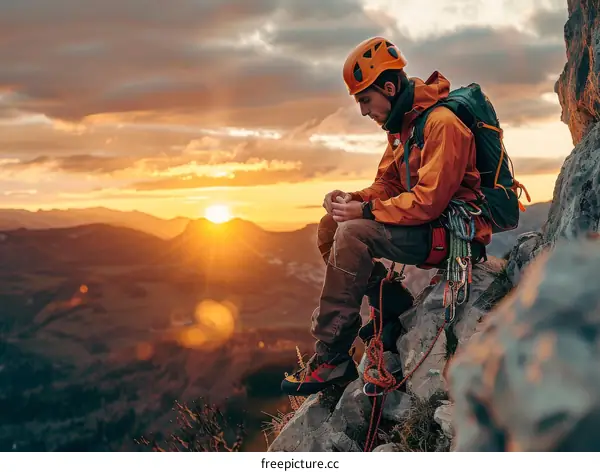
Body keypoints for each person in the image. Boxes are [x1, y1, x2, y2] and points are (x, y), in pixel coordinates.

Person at [281, 36, 493, 396]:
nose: (364, 111)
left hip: (453, 237)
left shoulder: (441, 125)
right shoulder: (402, 129)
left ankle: (332, 355)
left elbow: (430, 202)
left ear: (390, 87)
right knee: (332, 225)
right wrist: (351, 200)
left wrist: (364, 211)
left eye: (365, 99)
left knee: (352, 235)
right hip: (427, 229)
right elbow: (387, 185)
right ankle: (390, 305)